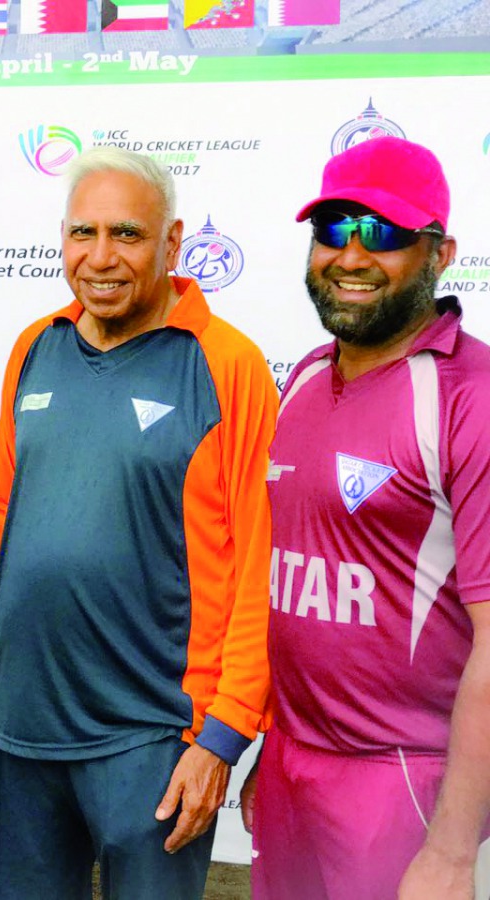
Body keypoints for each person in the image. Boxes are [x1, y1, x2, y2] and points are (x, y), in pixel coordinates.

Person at [0, 146, 277, 899]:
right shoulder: (36, 347)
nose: (100, 258)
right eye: (82, 234)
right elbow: (3, 507)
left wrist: (222, 739)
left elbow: (259, 567)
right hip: (21, 734)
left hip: (155, 741)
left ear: (172, 243)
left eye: (126, 235)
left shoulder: (227, 365)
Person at [241, 136, 490, 900]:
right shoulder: (308, 377)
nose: (350, 256)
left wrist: (450, 852)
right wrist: (266, 752)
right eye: (333, 230)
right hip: (290, 768)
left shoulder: (467, 396)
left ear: (441, 252)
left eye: (381, 234)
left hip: (405, 782)